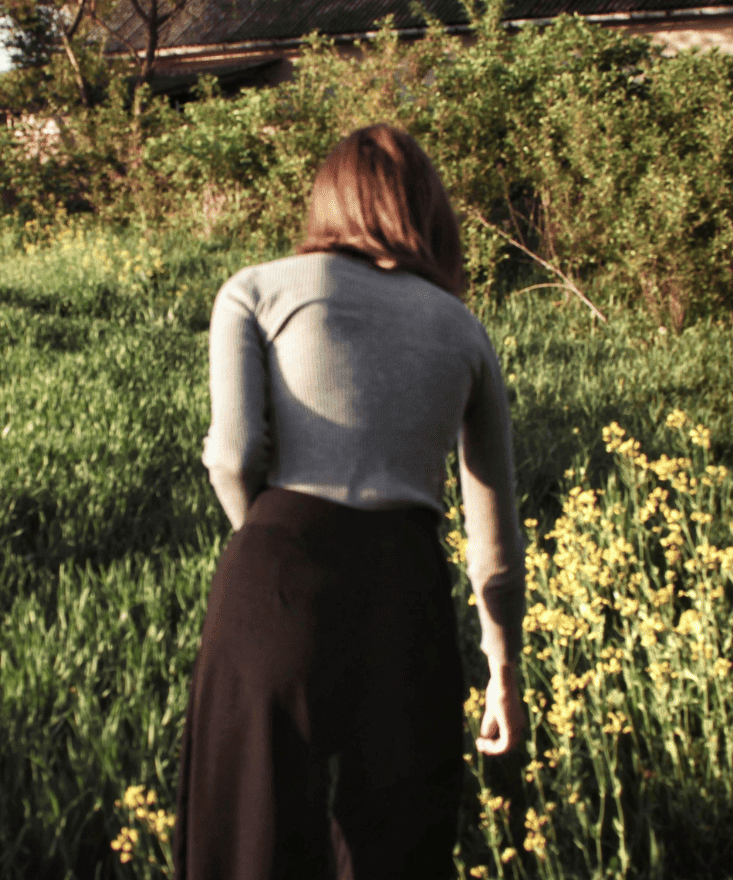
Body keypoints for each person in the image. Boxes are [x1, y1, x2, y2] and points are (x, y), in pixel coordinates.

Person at [175, 123, 528, 880]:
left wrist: (272, 545)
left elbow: (232, 456)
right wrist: (504, 671)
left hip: (280, 570)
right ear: (428, 210)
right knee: (401, 852)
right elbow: (494, 547)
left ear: (326, 200)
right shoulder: (464, 330)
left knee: (249, 848)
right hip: (408, 593)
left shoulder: (257, 289)